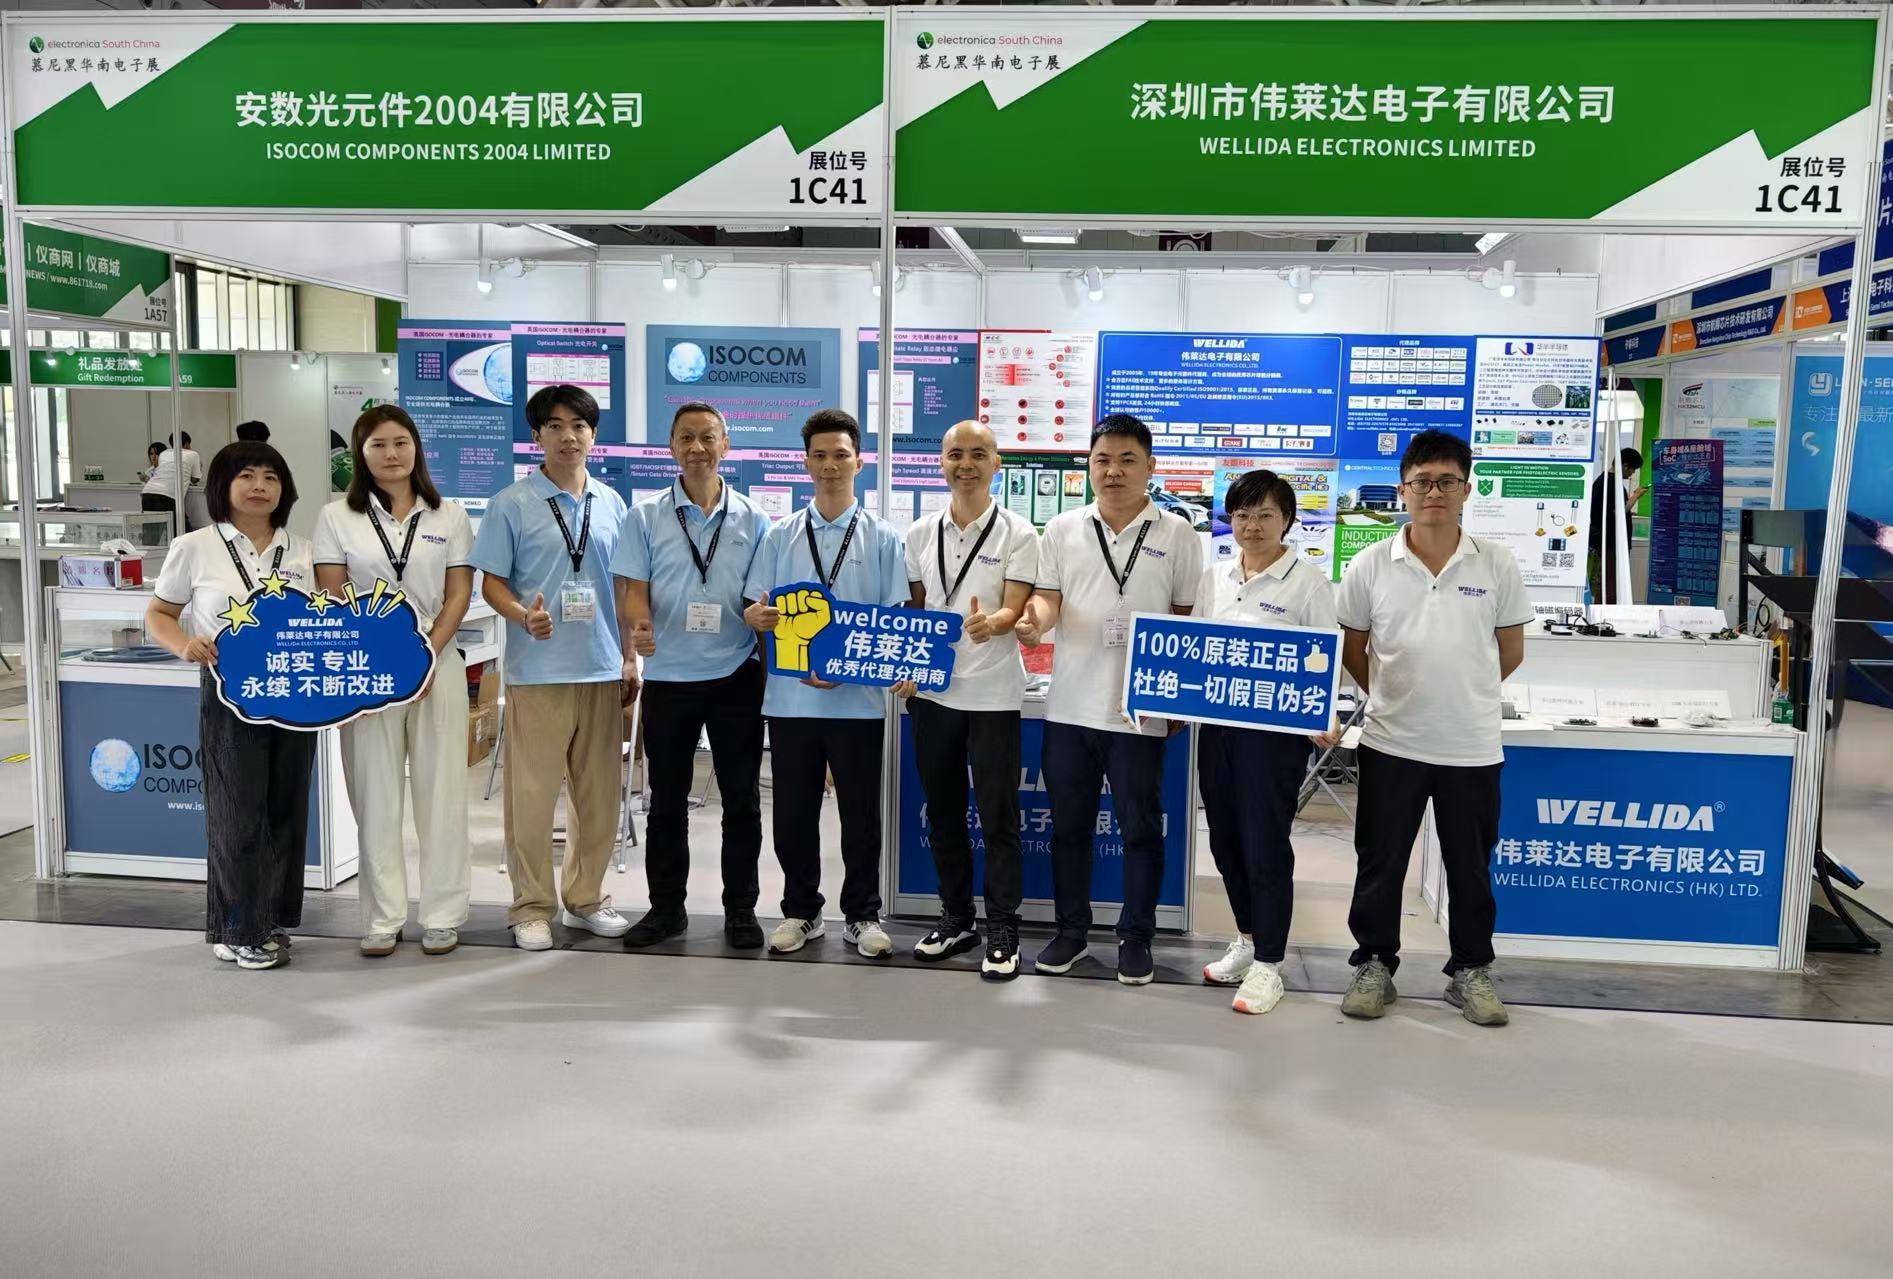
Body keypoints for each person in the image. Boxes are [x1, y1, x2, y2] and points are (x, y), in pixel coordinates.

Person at [1336, 428, 1532, 1027]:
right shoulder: (1371, 563)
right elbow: (1353, 649)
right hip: (1391, 740)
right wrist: (1393, 695)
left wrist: (1462, 695)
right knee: (1380, 861)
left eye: (1448, 481)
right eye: (1422, 482)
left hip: (1471, 746)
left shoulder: (1495, 562)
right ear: (1403, 490)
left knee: (1469, 867)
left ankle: (1470, 969)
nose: (1435, 492)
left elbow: (1510, 650)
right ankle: (1374, 963)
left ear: (1467, 489)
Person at [1014, 414, 1202, 986]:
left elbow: (1186, 618)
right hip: (1070, 708)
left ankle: (1136, 936)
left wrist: (1174, 700)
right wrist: (1033, 622)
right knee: (1069, 829)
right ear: (1089, 467)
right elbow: (1048, 598)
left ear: (1150, 467)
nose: (1113, 471)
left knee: (1139, 830)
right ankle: (1071, 932)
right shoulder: (1062, 528)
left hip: (1138, 711)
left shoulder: (1178, 534)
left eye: (1126, 460)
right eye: (1102, 460)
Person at [470, 384, 638, 951]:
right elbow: (491, 582)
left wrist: (629, 657)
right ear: (536, 435)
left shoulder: (611, 503)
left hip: (601, 671)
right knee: (532, 799)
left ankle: (586, 900)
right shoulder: (512, 503)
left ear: (593, 435)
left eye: (579, 426)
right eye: (556, 426)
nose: (569, 436)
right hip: (538, 673)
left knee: (599, 799)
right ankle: (530, 907)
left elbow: (622, 588)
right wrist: (523, 616)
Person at [145, 442, 315, 970]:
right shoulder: (195, 546)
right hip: (228, 693)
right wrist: (183, 645)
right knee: (236, 813)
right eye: (247, 475)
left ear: (284, 489)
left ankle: (272, 918)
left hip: (294, 694)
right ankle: (237, 928)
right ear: (223, 484)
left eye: (271, 477)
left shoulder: (303, 551)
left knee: (286, 809)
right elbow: (159, 614)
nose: (260, 486)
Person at [742, 408, 906, 959]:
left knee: (861, 816)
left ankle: (862, 915)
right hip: (790, 702)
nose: (830, 465)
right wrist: (755, 617)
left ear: (859, 461)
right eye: (820, 456)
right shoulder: (780, 534)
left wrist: (847, 669)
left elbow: (892, 616)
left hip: (859, 703)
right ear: (805, 462)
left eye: (841, 455)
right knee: (793, 814)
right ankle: (801, 911)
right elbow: (755, 605)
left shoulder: (882, 537)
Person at [314, 405, 475, 958]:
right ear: (360, 453)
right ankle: (382, 918)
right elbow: (333, 594)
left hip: (437, 663)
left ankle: (443, 915)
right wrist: (385, 658)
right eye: (378, 444)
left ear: (416, 448)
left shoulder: (448, 515)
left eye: (401, 442)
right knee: (374, 794)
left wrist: (423, 658)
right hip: (367, 669)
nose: (391, 454)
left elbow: (458, 594)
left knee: (442, 794)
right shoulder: (337, 516)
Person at [611, 401, 771, 950]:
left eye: (707, 437)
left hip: (735, 674)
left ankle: (741, 909)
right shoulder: (646, 516)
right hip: (670, 677)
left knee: (741, 801)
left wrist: (757, 616)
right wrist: (639, 627)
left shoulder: (753, 518)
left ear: (726, 445)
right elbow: (633, 588)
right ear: (671, 447)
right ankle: (666, 909)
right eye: (686, 438)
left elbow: (756, 597)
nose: (697, 448)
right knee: (666, 801)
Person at [897, 420, 1038, 980]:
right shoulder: (918, 534)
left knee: (999, 817)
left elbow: (1016, 607)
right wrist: (905, 665)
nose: (966, 464)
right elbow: (913, 613)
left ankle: (1003, 928)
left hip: (994, 695)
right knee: (944, 813)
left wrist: (995, 622)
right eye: (956, 454)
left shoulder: (1019, 533)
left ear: (996, 463)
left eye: (978, 454)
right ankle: (957, 919)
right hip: (933, 695)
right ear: (941, 462)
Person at [1194, 469, 1338, 1015]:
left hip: (1274, 740)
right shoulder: (1215, 578)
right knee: (1225, 841)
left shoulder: (1308, 583)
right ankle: (1248, 939)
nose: (1252, 526)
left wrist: (1322, 712)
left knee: (1265, 844)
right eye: (1242, 514)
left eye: (1265, 515)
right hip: (1217, 731)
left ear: (1288, 521)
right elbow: (1196, 648)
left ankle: (1270, 963)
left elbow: (1326, 659)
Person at [1587, 446, 1645, 604]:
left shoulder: (1603, 480)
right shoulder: (1612, 484)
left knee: (1606, 581)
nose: (1632, 474)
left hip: (1604, 539)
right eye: (1633, 470)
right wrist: (1636, 496)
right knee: (1610, 582)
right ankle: (1606, 613)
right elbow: (1618, 512)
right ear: (1625, 466)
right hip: (1610, 541)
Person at [141, 432, 202, 513]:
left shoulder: (164, 453)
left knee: (152, 521)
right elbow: (195, 479)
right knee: (179, 521)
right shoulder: (193, 454)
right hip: (167, 496)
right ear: (187, 444)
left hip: (147, 493)